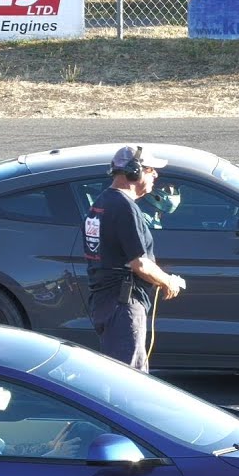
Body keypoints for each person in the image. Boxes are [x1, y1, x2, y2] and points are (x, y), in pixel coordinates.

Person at [82, 145, 187, 372]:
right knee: (128, 380)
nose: (156, 175)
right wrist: (168, 281)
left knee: (123, 374)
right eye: (150, 170)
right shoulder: (123, 207)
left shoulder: (102, 202)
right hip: (123, 305)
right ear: (134, 172)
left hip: (107, 301)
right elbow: (139, 263)